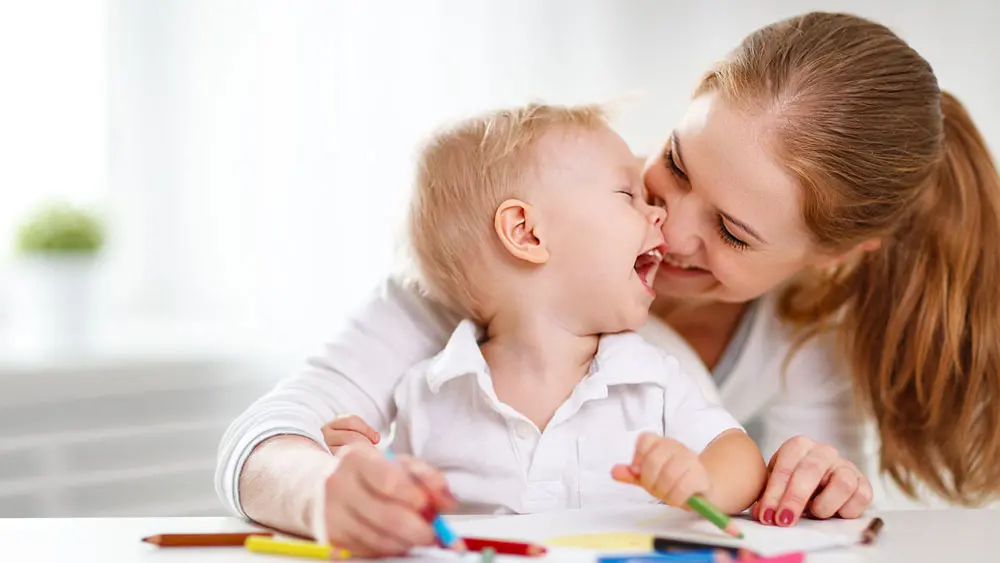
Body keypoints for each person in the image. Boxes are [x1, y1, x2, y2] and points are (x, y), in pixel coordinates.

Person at [216, 9, 1000, 557]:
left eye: (731, 231)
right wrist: (326, 489)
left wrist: (813, 484)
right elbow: (263, 438)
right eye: (678, 164)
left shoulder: (806, 339)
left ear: (834, 256)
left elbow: (785, 522)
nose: (670, 222)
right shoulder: (491, 271)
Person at [319, 103, 766, 523]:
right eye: (628, 194)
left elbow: (740, 456)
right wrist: (368, 472)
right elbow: (409, 509)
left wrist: (702, 483)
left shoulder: (650, 378)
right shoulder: (430, 394)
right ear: (527, 233)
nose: (659, 216)